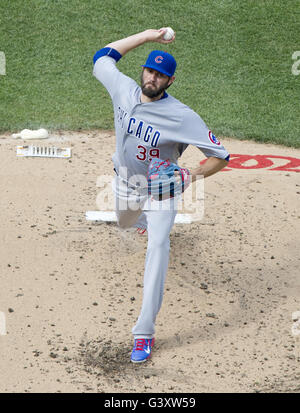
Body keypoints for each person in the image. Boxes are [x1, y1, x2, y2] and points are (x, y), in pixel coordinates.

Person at [93, 28, 230, 363]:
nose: (152, 78)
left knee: (157, 248)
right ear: (144, 70)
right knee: (124, 222)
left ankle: (144, 333)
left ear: (170, 82)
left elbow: (221, 155)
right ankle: (141, 222)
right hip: (125, 182)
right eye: (150, 71)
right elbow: (102, 58)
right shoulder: (124, 88)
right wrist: (148, 36)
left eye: (161, 76)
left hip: (162, 191)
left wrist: (190, 175)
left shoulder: (181, 116)